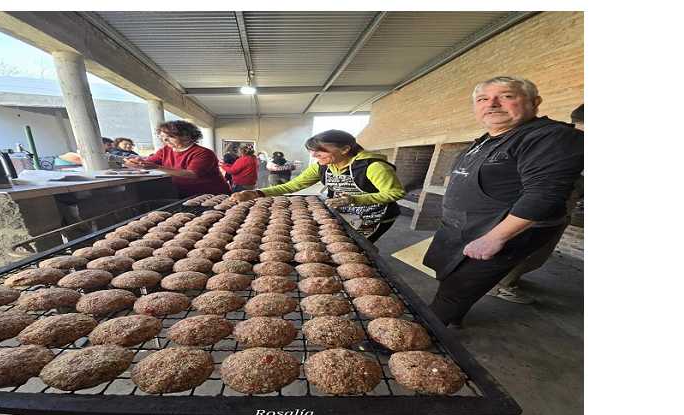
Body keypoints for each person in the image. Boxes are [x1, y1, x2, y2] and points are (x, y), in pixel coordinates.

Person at [422, 76, 584, 327]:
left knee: (458, 289)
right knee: (449, 276)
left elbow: (544, 195)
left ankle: (430, 328)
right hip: (463, 227)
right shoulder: (488, 139)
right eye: (483, 99)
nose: (492, 104)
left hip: (499, 231)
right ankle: (451, 316)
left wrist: (494, 238)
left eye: (507, 96)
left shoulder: (550, 137)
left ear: (535, 102)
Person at [231, 130, 405, 243]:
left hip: (374, 216)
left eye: (320, 151)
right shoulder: (322, 166)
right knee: (339, 242)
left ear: (345, 149)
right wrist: (258, 193)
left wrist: (354, 199)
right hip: (343, 211)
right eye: (312, 151)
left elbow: (396, 192)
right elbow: (292, 186)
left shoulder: (372, 166)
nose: (314, 155)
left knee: (357, 248)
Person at [488, 103, 585, 304]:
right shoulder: (570, 143)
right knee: (530, 253)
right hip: (541, 214)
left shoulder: (556, 136)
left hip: (537, 210)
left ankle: (502, 281)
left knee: (524, 251)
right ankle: (500, 286)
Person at [124, 120, 230, 197]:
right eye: (163, 137)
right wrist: (136, 162)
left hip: (211, 194)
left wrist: (156, 167)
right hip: (185, 193)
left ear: (187, 136)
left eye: (170, 137)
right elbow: (148, 162)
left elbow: (192, 174)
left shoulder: (203, 153)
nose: (165, 140)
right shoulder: (165, 150)